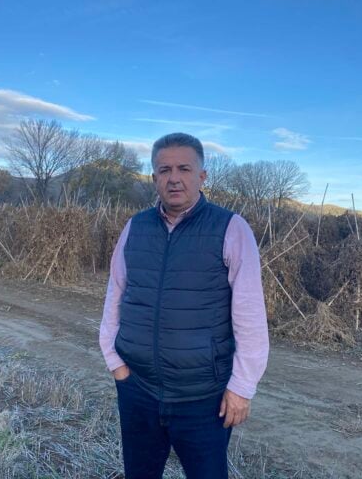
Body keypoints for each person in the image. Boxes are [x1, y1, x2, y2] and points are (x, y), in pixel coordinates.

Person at [99, 132, 269, 479]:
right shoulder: (135, 227)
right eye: (164, 170)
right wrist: (115, 363)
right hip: (138, 389)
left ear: (202, 176)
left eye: (184, 169)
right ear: (154, 178)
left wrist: (241, 387)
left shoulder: (231, 229)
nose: (174, 178)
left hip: (203, 398)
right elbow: (116, 294)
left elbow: (250, 315)